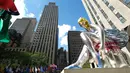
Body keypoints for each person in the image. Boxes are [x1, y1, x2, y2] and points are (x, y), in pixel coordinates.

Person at [64, 17, 129, 69]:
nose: (82, 24)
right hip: (95, 43)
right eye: (80, 24)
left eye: (82, 21)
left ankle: (94, 54)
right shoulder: (87, 31)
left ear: (85, 20)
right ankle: (78, 64)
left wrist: (103, 45)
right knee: (85, 47)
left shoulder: (91, 25)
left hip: (103, 39)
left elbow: (101, 30)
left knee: (83, 34)